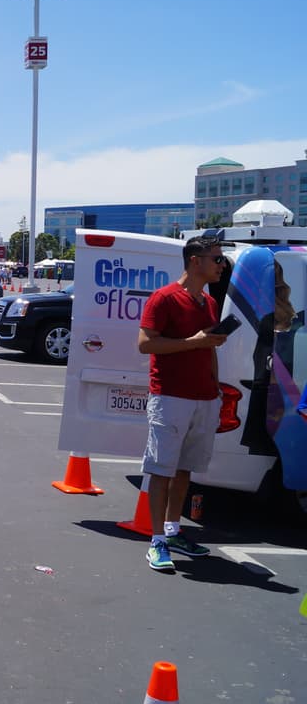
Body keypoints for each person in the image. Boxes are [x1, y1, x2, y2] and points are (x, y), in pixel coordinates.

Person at [136, 235, 226, 571]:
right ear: (194, 261)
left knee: (185, 469)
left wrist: (215, 387)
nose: (221, 264)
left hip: (203, 397)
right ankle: (157, 541)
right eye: (216, 259)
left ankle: (173, 531)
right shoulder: (163, 298)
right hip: (170, 396)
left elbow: (210, 347)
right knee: (161, 470)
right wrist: (194, 341)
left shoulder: (209, 302)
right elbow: (145, 345)